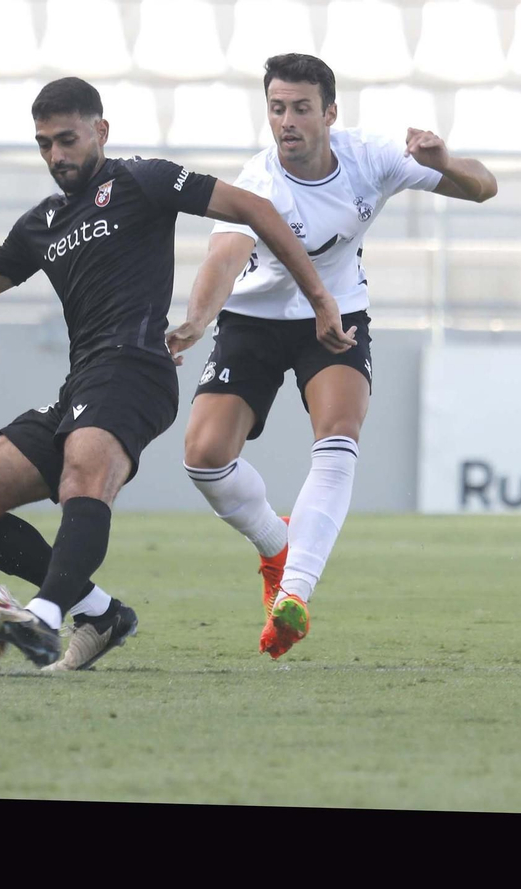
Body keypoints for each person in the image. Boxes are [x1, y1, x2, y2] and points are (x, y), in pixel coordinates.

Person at [0, 77, 353, 671]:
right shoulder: (40, 224)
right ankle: (99, 612)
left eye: (67, 139)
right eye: (45, 144)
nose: (56, 155)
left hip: (135, 369)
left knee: (83, 475)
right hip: (80, 386)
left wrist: (321, 298)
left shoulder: (141, 180)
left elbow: (254, 208)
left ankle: (44, 615)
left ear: (100, 131)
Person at [166, 54, 498, 659]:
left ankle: (294, 592)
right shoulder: (259, 181)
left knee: (340, 430)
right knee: (204, 457)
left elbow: (483, 187)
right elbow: (222, 259)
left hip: (337, 312)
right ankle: (276, 547)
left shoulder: (371, 157)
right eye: (276, 108)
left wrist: (444, 162)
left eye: (300, 108)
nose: (286, 121)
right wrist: (196, 319)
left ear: (330, 113)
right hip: (253, 321)